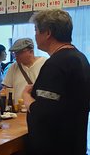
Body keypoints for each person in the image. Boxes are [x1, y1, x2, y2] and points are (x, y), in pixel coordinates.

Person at [22, 9, 90, 155]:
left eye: (36, 30)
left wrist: (26, 96)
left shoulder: (56, 63)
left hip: (55, 146)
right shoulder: (80, 58)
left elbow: (43, 112)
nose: (35, 35)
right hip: (75, 142)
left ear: (47, 33)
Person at [2, 38, 46, 103]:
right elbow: (6, 89)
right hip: (18, 109)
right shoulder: (13, 67)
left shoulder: (45, 63)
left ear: (31, 51)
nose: (16, 56)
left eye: (19, 52)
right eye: (14, 53)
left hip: (39, 108)